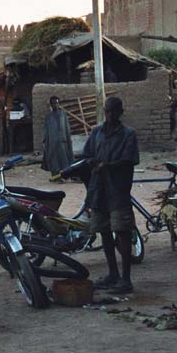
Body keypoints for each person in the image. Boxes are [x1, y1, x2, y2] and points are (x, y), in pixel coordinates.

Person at [81, 96, 140, 294]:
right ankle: (112, 274)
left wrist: (108, 165)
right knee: (104, 232)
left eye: (115, 111)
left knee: (122, 232)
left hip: (118, 190)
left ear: (121, 112)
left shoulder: (128, 134)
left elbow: (129, 160)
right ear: (104, 111)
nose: (111, 115)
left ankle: (126, 279)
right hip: (99, 190)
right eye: (108, 111)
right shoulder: (96, 132)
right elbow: (87, 154)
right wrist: (91, 162)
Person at [42, 96, 73, 176]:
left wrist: (68, 138)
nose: (56, 105)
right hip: (53, 142)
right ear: (51, 105)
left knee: (64, 158)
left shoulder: (63, 114)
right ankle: (55, 175)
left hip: (63, 141)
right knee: (54, 159)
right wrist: (45, 141)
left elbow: (67, 128)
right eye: (54, 103)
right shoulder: (48, 116)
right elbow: (46, 130)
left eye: (57, 103)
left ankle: (65, 174)